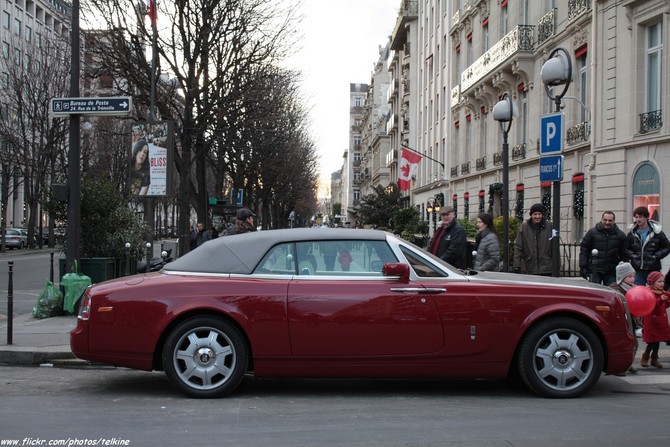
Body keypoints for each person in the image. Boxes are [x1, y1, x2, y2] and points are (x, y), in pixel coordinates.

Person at [623, 206, 670, 285]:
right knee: (638, 292)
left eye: (640, 217)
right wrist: (633, 255)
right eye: (636, 217)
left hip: (653, 268)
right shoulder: (632, 233)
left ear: (646, 217)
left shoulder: (657, 232)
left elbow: (667, 247)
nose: (638, 219)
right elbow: (625, 248)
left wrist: (656, 256)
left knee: (654, 292)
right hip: (638, 269)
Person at [579, 211, 627, 285]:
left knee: (610, 294)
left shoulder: (620, 235)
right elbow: (584, 250)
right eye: (605, 220)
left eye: (610, 220)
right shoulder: (592, 233)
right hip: (594, 269)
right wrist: (583, 267)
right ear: (601, 219)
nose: (607, 222)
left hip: (611, 271)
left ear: (614, 221)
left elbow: (624, 255)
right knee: (594, 293)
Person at [610, 262, 641, 372]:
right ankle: (618, 367)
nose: (632, 279)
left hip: (631, 320)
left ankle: (629, 364)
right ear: (621, 277)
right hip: (620, 321)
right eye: (629, 276)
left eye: (633, 276)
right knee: (621, 344)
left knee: (634, 344)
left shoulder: (635, 288)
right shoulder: (616, 289)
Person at [640, 271, 670, 368]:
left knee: (658, 339)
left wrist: (667, 300)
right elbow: (652, 304)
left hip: (660, 320)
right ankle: (646, 355)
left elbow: (664, 306)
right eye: (659, 281)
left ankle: (654, 358)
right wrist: (661, 299)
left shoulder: (662, 293)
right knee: (653, 340)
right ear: (652, 282)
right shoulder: (649, 292)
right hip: (652, 321)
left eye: (663, 281)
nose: (662, 283)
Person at [513, 203, 553, 275]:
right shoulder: (524, 227)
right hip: (530, 267)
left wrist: (557, 265)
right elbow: (518, 247)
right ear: (531, 215)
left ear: (542, 215)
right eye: (535, 214)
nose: (537, 216)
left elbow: (555, 247)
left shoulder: (549, 226)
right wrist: (516, 265)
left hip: (547, 268)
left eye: (539, 214)